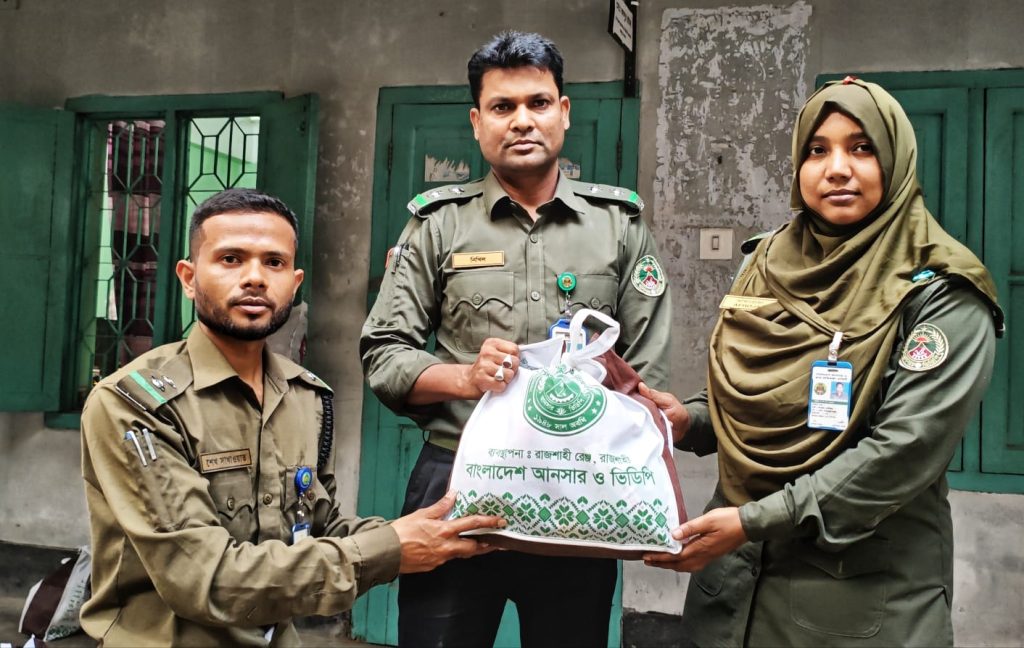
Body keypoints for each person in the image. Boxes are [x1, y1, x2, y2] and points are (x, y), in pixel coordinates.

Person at [640, 78, 1002, 646]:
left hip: (853, 603)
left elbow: (902, 452)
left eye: (861, 148)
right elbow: (748, 398)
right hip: (729, 595)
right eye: (817, 149)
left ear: (896, 159)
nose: (836, 169)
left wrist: (752, 522)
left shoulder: (941, 291)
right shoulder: (766, 262)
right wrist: (687, 420)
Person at [80, 188, 504, 647]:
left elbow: (320, 529)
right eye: (230, 259)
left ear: (295, 282)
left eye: (274, 263)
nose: (255, 279)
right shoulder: (135, 405)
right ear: (188, 277)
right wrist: (392, 547)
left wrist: (438, 529)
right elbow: (207, 580)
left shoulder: (307, 396)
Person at [360, 31, 672, 647]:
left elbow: (645, 372)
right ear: (478, 122)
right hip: (458, 476)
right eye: (503, 107)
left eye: (538, 102)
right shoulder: (437, 225)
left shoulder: (619, 227)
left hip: (580, 481)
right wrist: (464, 377)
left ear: (564, 112)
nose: (522, 120)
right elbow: (383, 354)